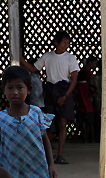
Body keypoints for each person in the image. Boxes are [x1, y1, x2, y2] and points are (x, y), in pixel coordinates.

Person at [0, 66, 57, 178]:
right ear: (3, 90)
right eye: (10, 88)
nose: (15, 92)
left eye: (20, 88)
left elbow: (45, 141)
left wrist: (51, 165)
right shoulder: (0, 119)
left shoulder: (36, 114)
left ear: (29, 89)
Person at [20, 31, 79, 164]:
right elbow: (33, 68)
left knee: (63, 123)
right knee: (48, 124)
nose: (66, 45)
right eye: (64, 42)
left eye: (68, 43)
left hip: (64, 89)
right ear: (56, 42)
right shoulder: (48, 56)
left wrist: (65, 96)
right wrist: (21, 59)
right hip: (51, 89)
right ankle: (48, 154)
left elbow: (74, 79)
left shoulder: (71, 58)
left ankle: (60, 154)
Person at [76, 57, 97, 143]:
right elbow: (93, 89)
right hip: (88, 106)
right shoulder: (87, 85)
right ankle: (92, 139)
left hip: (81, 106)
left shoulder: (78, 86)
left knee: (83, 123)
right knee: (90, 123)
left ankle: (84, 138)